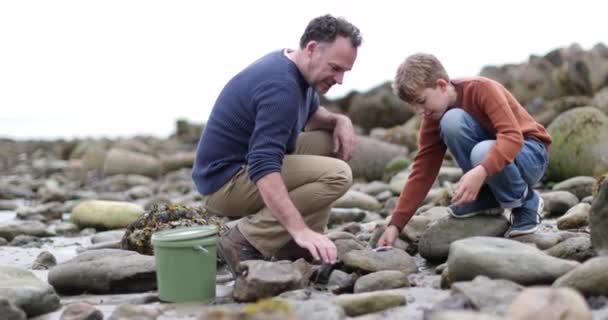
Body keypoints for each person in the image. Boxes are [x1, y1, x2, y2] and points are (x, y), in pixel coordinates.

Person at [192, 14, 362, 275]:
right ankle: (246, 239)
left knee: (329, 141)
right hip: (225, 182)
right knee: (337, 175)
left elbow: (312, 114)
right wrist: (298, 228)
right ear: (312, 49)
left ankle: (297, 247)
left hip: (243, 168)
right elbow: (262, 165)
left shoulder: (296, 69)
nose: (340, 80)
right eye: (335, 68)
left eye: (344, 72)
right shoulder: (280, 86)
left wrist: (340, 120)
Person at [378, 53, 552, 247]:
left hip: (531, 154)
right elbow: (423, 170)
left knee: (480, 149)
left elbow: (512, 137)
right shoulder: (433, 116)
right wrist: (396, 224)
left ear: (442, 85)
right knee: (451, 121)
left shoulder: (481, 88)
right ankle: (490, 197)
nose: (420, 111)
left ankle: (527, 201)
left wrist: (481, 171)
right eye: (414, 106)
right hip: (493, 161)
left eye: (422, 101)